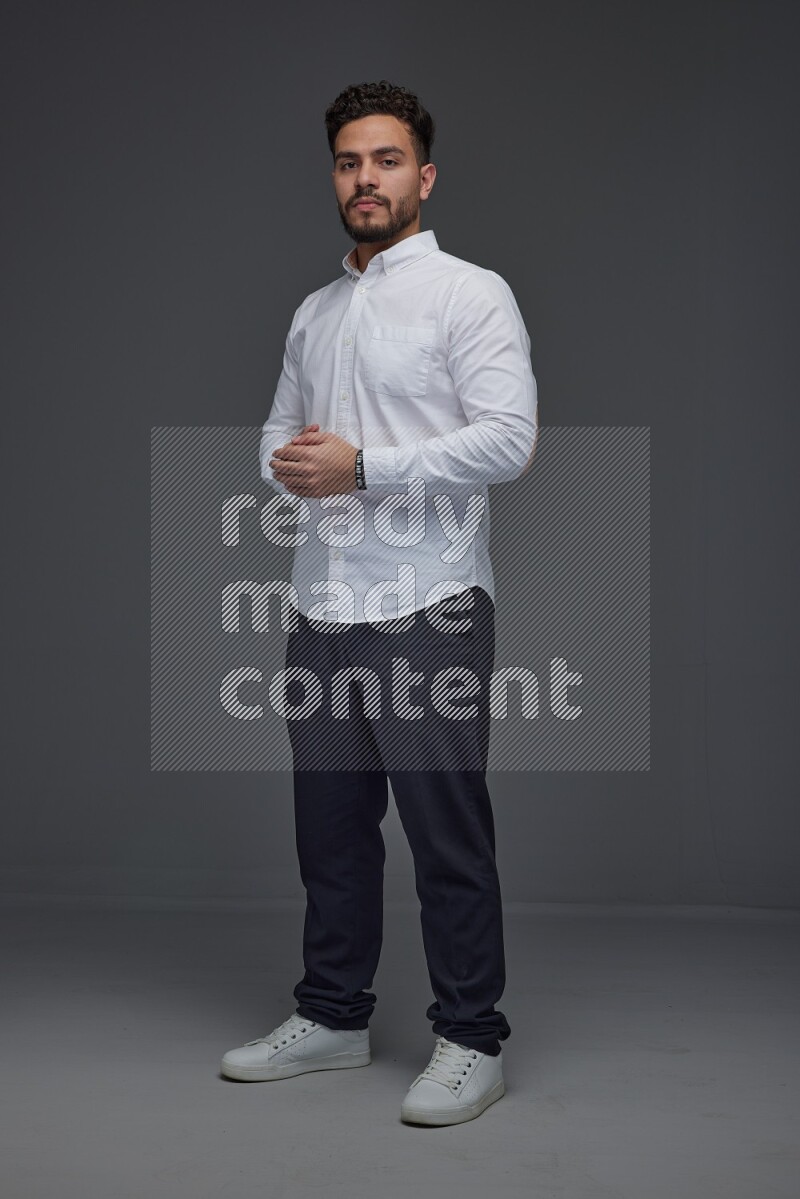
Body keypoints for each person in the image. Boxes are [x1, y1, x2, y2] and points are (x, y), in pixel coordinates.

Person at [221, 79, 538, 1127]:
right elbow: (274, 440)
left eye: (387, 159)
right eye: (350, 162)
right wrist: (293, 464)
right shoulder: (314, 312)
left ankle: (471, 1036)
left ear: (423, 175)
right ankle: (333, 1014)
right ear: (336, 176)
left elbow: (507, 439)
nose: (366, 178)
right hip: (320, 606)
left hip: (429, 603)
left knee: (446, 831)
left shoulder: (468, 294)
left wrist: (360, 470)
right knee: (332, 830)